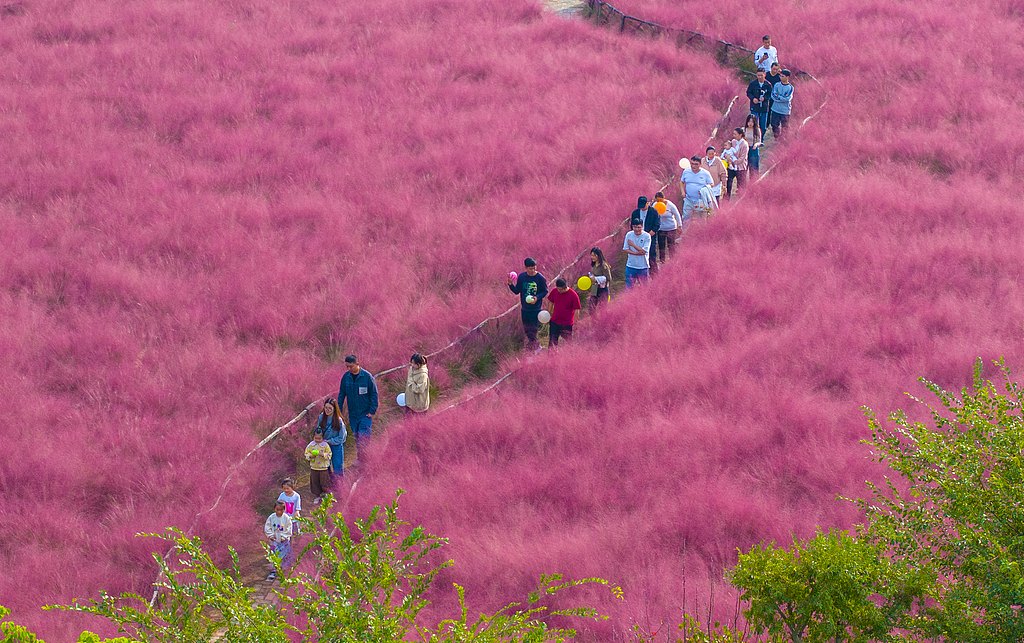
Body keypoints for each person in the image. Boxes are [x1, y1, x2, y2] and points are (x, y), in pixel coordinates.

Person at [337, 355, 378, 463]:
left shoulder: (367, 377)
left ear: (357, 364)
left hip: (365, 414)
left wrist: (372, 411)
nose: (349, 369)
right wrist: (338, 411)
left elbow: (374, 394)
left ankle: (365, 460)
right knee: (357, 437)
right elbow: (341, 395)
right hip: (353, 414)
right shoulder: (346, 377)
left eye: (351, 366)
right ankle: (361, 458)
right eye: (347, 366)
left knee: (364, 438)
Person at [508, 257, 548, 351]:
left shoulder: (540, 278)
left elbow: (545, 291)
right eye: (530, 268)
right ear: (526, 267)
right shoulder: (522, 277)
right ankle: (537, 346)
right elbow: (517, 291)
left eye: (534, 268)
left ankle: (532, 349)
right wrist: (510, 284)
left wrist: (537, 297)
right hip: (525, 309)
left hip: (536, 309)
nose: (533, 270)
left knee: (533, 331)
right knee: (527, 330)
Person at [545, 278, 582, 346]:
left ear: (565, 287)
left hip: (567, 323)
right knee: (552, 342)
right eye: (558, 289)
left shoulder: (573, 295)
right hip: (554, 322)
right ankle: (551, 356)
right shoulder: (554, 291)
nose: (559, 291)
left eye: (560, 289)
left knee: (567, 343)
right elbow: (551, 302)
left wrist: (576, 323)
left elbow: (577, 309)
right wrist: (548, 314)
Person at [317, 398, 346, 480]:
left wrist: (330, 441)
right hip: (324, 446)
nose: (327, 410)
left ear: (334, 409)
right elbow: (318, 431)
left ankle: (340, 487)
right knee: (326, 467)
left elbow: (342, 438)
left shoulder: (339, 421)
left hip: (336, 447)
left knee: (338, 468)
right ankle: (329, 484)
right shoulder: (321, 417)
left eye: (330, 408)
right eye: (326, 408)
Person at [264, 500, 293, 580]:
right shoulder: (271, 517)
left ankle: (282, 569)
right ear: (274, 509)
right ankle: (274, 570)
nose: (279, 511)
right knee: (274, 555)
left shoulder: (287, 518)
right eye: (277, 509)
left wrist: (284, 537)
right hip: (274, 541)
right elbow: (267, 527)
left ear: (284, 510)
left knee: (283, 555)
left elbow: (289, 528)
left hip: (283, 542)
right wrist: (270, 535)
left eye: (281, 510)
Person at [631, 196, 660, 273]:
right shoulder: (635, 213)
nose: (642, 208)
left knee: (651, 256)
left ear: (647, 203)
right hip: (638, 237)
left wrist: (649, 234)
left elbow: (656, 225)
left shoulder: (654, 212)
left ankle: (653, 274)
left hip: (650, 237)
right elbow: (632, 225)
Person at [304, 428, 332, 504]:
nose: (317, 440)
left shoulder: (325, 445)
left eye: (319, 438)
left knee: (324, 482)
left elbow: (329, 454)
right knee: (315, 482)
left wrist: (323, 454)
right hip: (314, 467)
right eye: (316, 438)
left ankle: (326, 495)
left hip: (323, 467)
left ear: (322, 438)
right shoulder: (310, 445)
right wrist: (310, 456)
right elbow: (306, 453)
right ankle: (317, 496)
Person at [654, 191, 683, 260]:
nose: (659, 201)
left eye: (661, 200)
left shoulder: (670, 205)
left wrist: (679, 226)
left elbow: (677, 215)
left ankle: (672, 260)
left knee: (671, 245)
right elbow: (652, 214)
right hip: (661, 229)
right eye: (657, 200)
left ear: (664, 198)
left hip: (671, 228)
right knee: (661, 246)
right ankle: (662, 261)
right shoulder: (655, 205)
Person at [622, 218, 651, 288]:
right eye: (635, 227)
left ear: (642, 227)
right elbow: (625, 249)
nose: (637, 229)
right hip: (631, 265)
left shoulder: (647, 236)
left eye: (639, 227)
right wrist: (637, 253)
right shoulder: (629, 234)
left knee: (644, 287)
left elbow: (644, 251)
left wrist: (633, 245)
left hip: (643, 266)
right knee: (629, 287)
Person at [723, 128, 749, 199]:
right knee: (729, 183)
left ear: (740, 135)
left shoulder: (745, 144)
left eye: (735, 134)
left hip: (740, 167)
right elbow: (727, 150)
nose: (734, 135)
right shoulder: (733, 142)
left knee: (741, 185)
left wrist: (736, 162)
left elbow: (743, 157)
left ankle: (742, 200)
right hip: (731, 166)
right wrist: (727, 156)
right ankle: (726, 199)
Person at [770, 70, 794, 140]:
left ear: (787, 77)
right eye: (780, 76)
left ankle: (783, 139)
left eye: (782, 76)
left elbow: (787, 99)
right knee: (774, 124)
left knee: (785, 126)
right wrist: (781, 97)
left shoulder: (790, 87)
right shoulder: (776, 85)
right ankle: (777, 137)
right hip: (775, 109)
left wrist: (779, 97)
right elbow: (773, 96)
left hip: (785, 111)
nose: (781, 77)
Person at [746, 68, 772, 134]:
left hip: (764, 108)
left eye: (761, 75)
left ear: (764, 75)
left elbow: (770, 94)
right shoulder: (752, 84)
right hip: (754, 107)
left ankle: (761, 140)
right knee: (753, 124)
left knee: (763, 125)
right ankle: (754, 139)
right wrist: (753, 98)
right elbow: (748, 93)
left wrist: (764, 98)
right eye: (758, 75)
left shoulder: (768, 84)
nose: (760, 77)